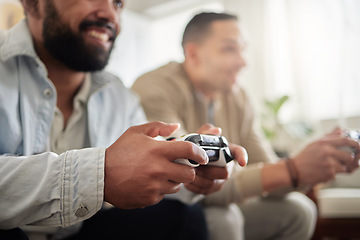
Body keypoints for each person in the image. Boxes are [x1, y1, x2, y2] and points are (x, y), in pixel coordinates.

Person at [0, 2, 247, 239]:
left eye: (117, 3)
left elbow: (141, 176)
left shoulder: (120, 96)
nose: (110, 14)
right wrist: (99, 174)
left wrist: (183, 170)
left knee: (185, 216)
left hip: (80, 232)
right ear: (33, 3)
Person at [132, 12, 360, 240]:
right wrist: (292, 169)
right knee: (224, 218)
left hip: (217, 205)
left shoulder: (238, 97)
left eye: (242, 50)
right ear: (193, 54)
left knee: (299, 210)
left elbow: (269, 170)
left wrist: (315, 167)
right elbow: (190, 181)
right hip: (169, 210)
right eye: (230, 49)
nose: (243, 62)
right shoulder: (154, 88)